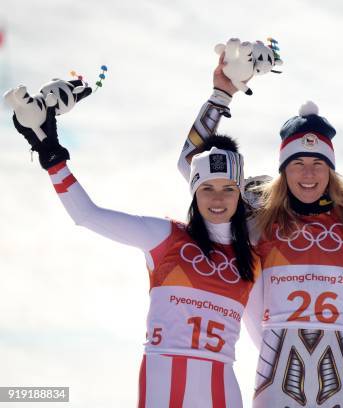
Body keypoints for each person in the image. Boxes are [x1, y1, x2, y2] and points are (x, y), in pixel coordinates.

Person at [6, 81, 257, 408]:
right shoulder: (166, 238)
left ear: (240, 193)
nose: (218, 198)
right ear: (194, 193)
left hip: (223, 384)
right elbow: (86, 215)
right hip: (164, 378)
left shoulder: (252, 256)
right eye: (208, 188)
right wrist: (52, 158)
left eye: (228, 189)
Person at [177, 58, 343, 408]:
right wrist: (221, 95)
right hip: (277, 380)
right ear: (283, 169)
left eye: (318, 164)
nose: (308, 174)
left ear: (331, 170)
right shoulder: (258, 213)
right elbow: (190, 163)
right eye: (297, 163)